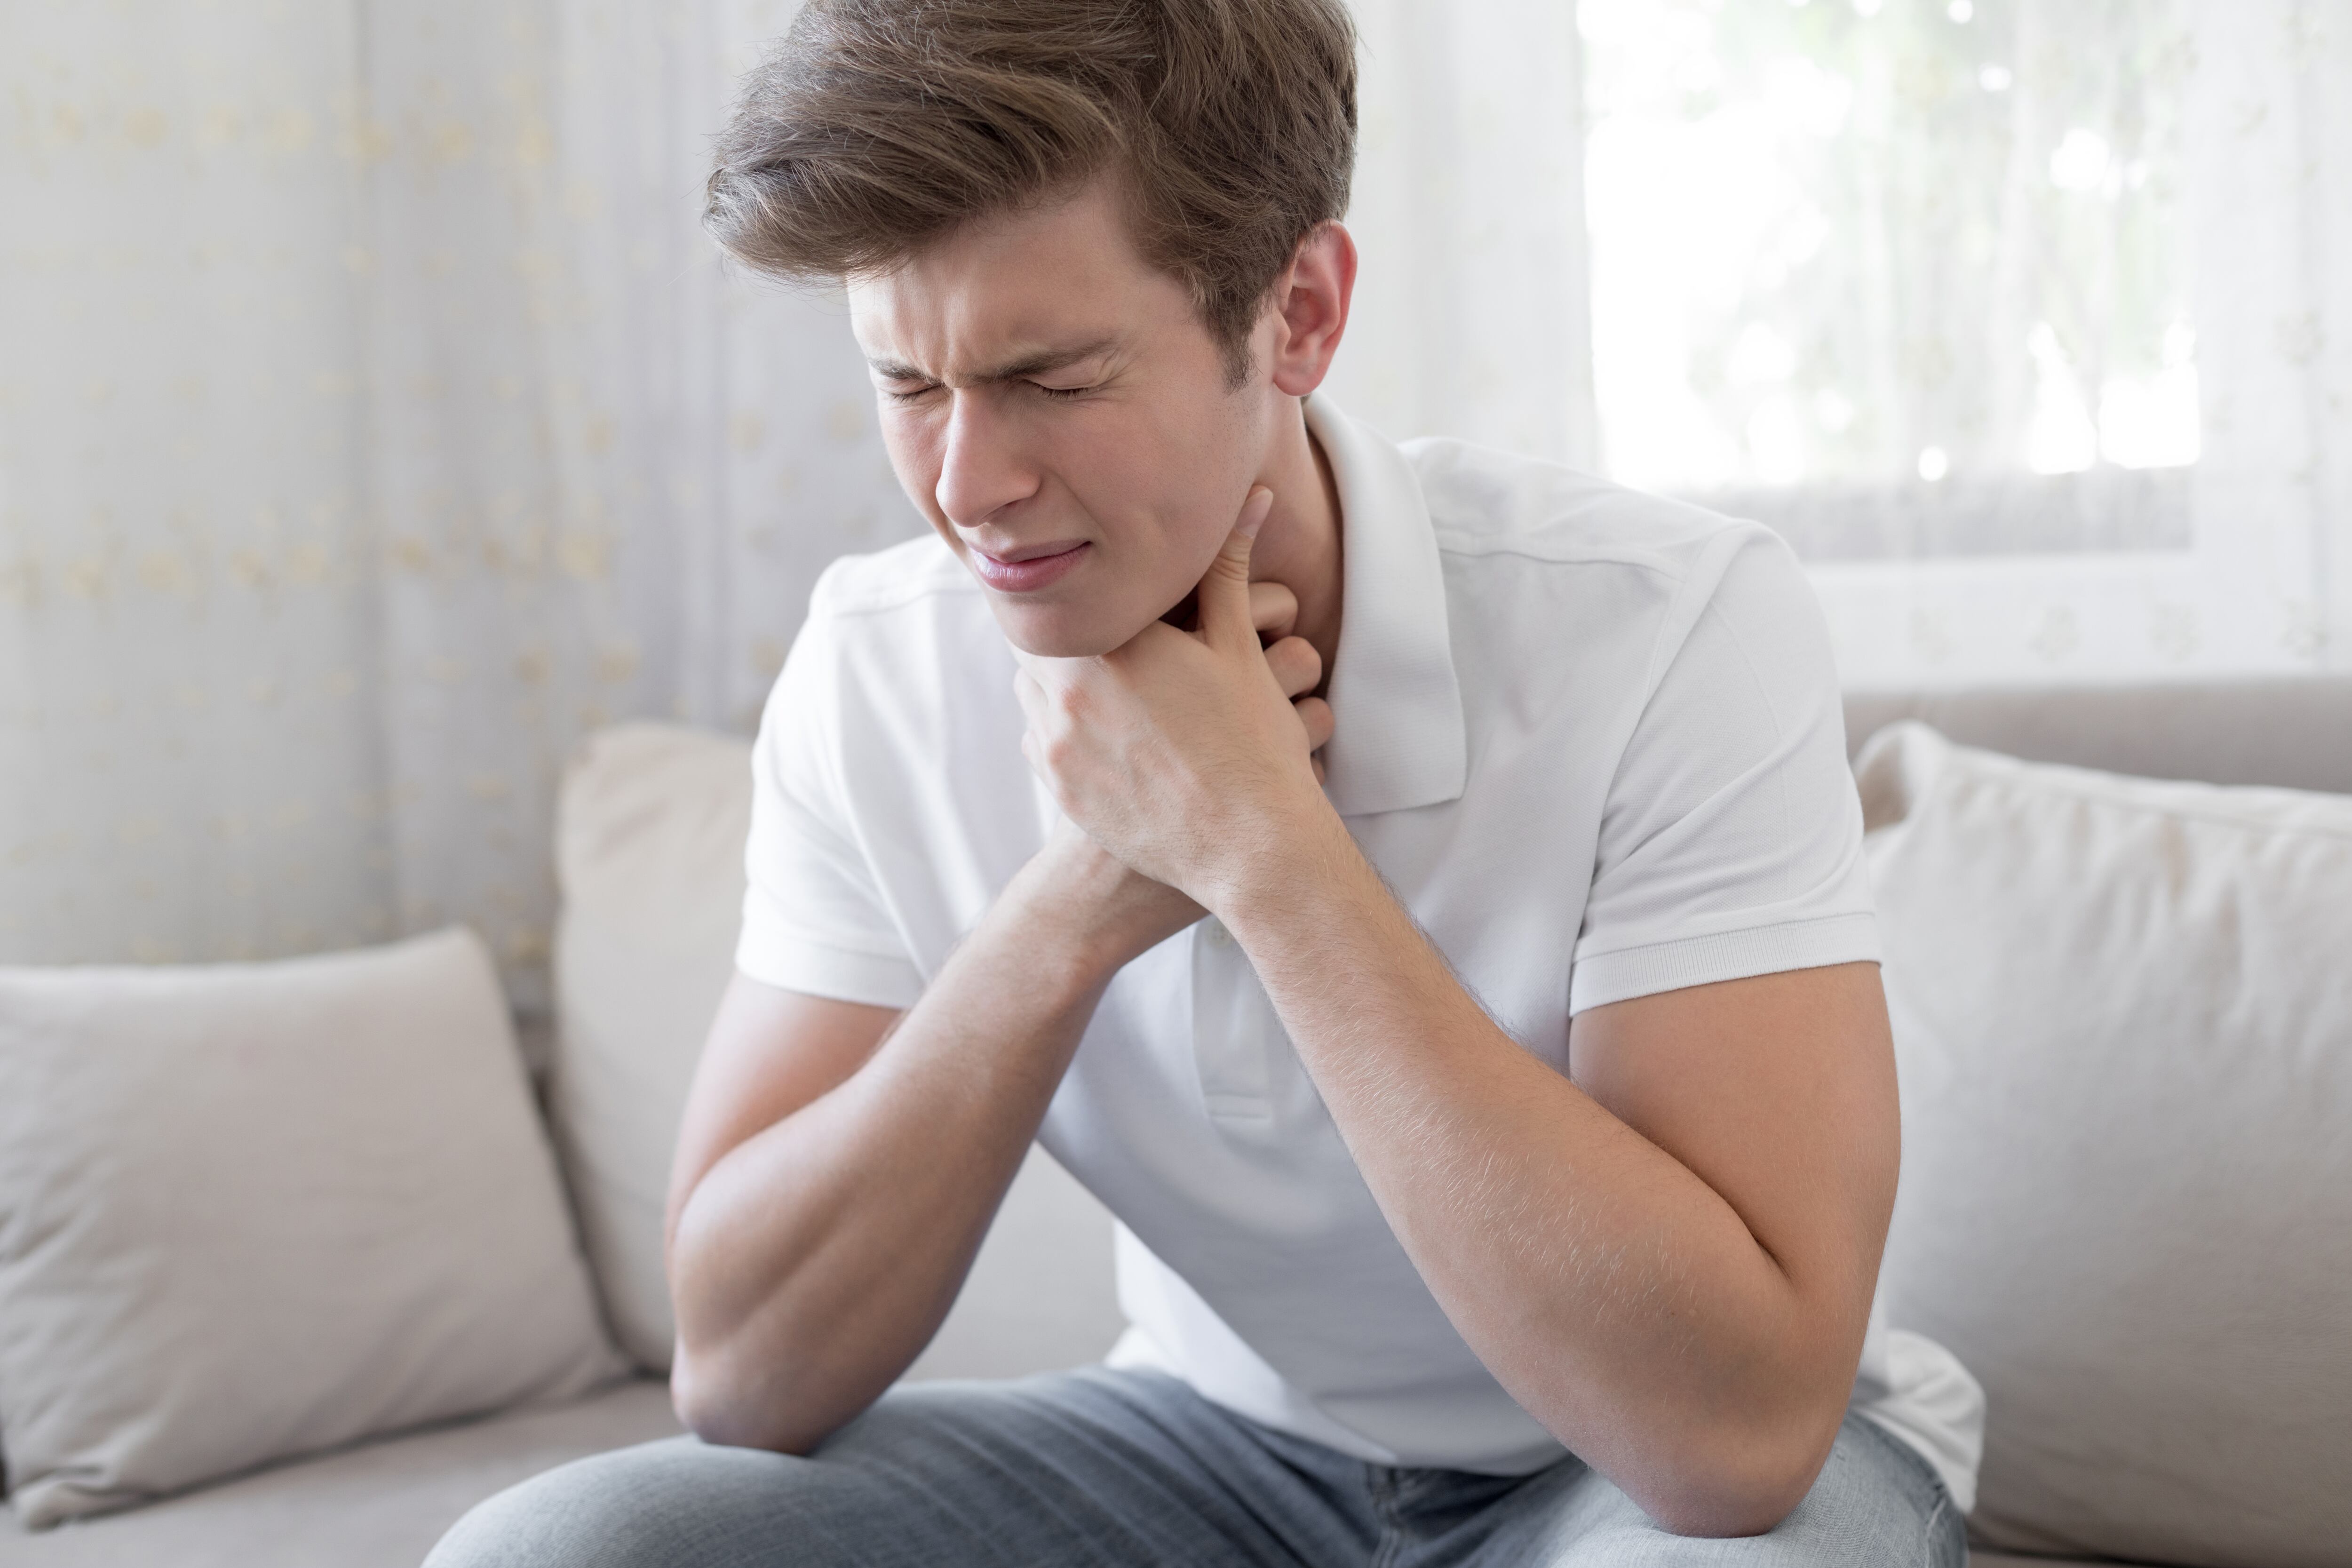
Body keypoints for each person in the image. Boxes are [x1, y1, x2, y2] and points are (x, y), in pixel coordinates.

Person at [428, 1, 1982, 1562]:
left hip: (1628, 1487)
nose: (968, 487)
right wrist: (1079, 905)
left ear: (1299, 312)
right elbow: (741, 1371)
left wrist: (1265, 853)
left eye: (1053, 377)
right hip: (1208, 1446)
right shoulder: (874, 671)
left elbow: (1729, 1444)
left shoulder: (1667, 627)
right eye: (908, 384)